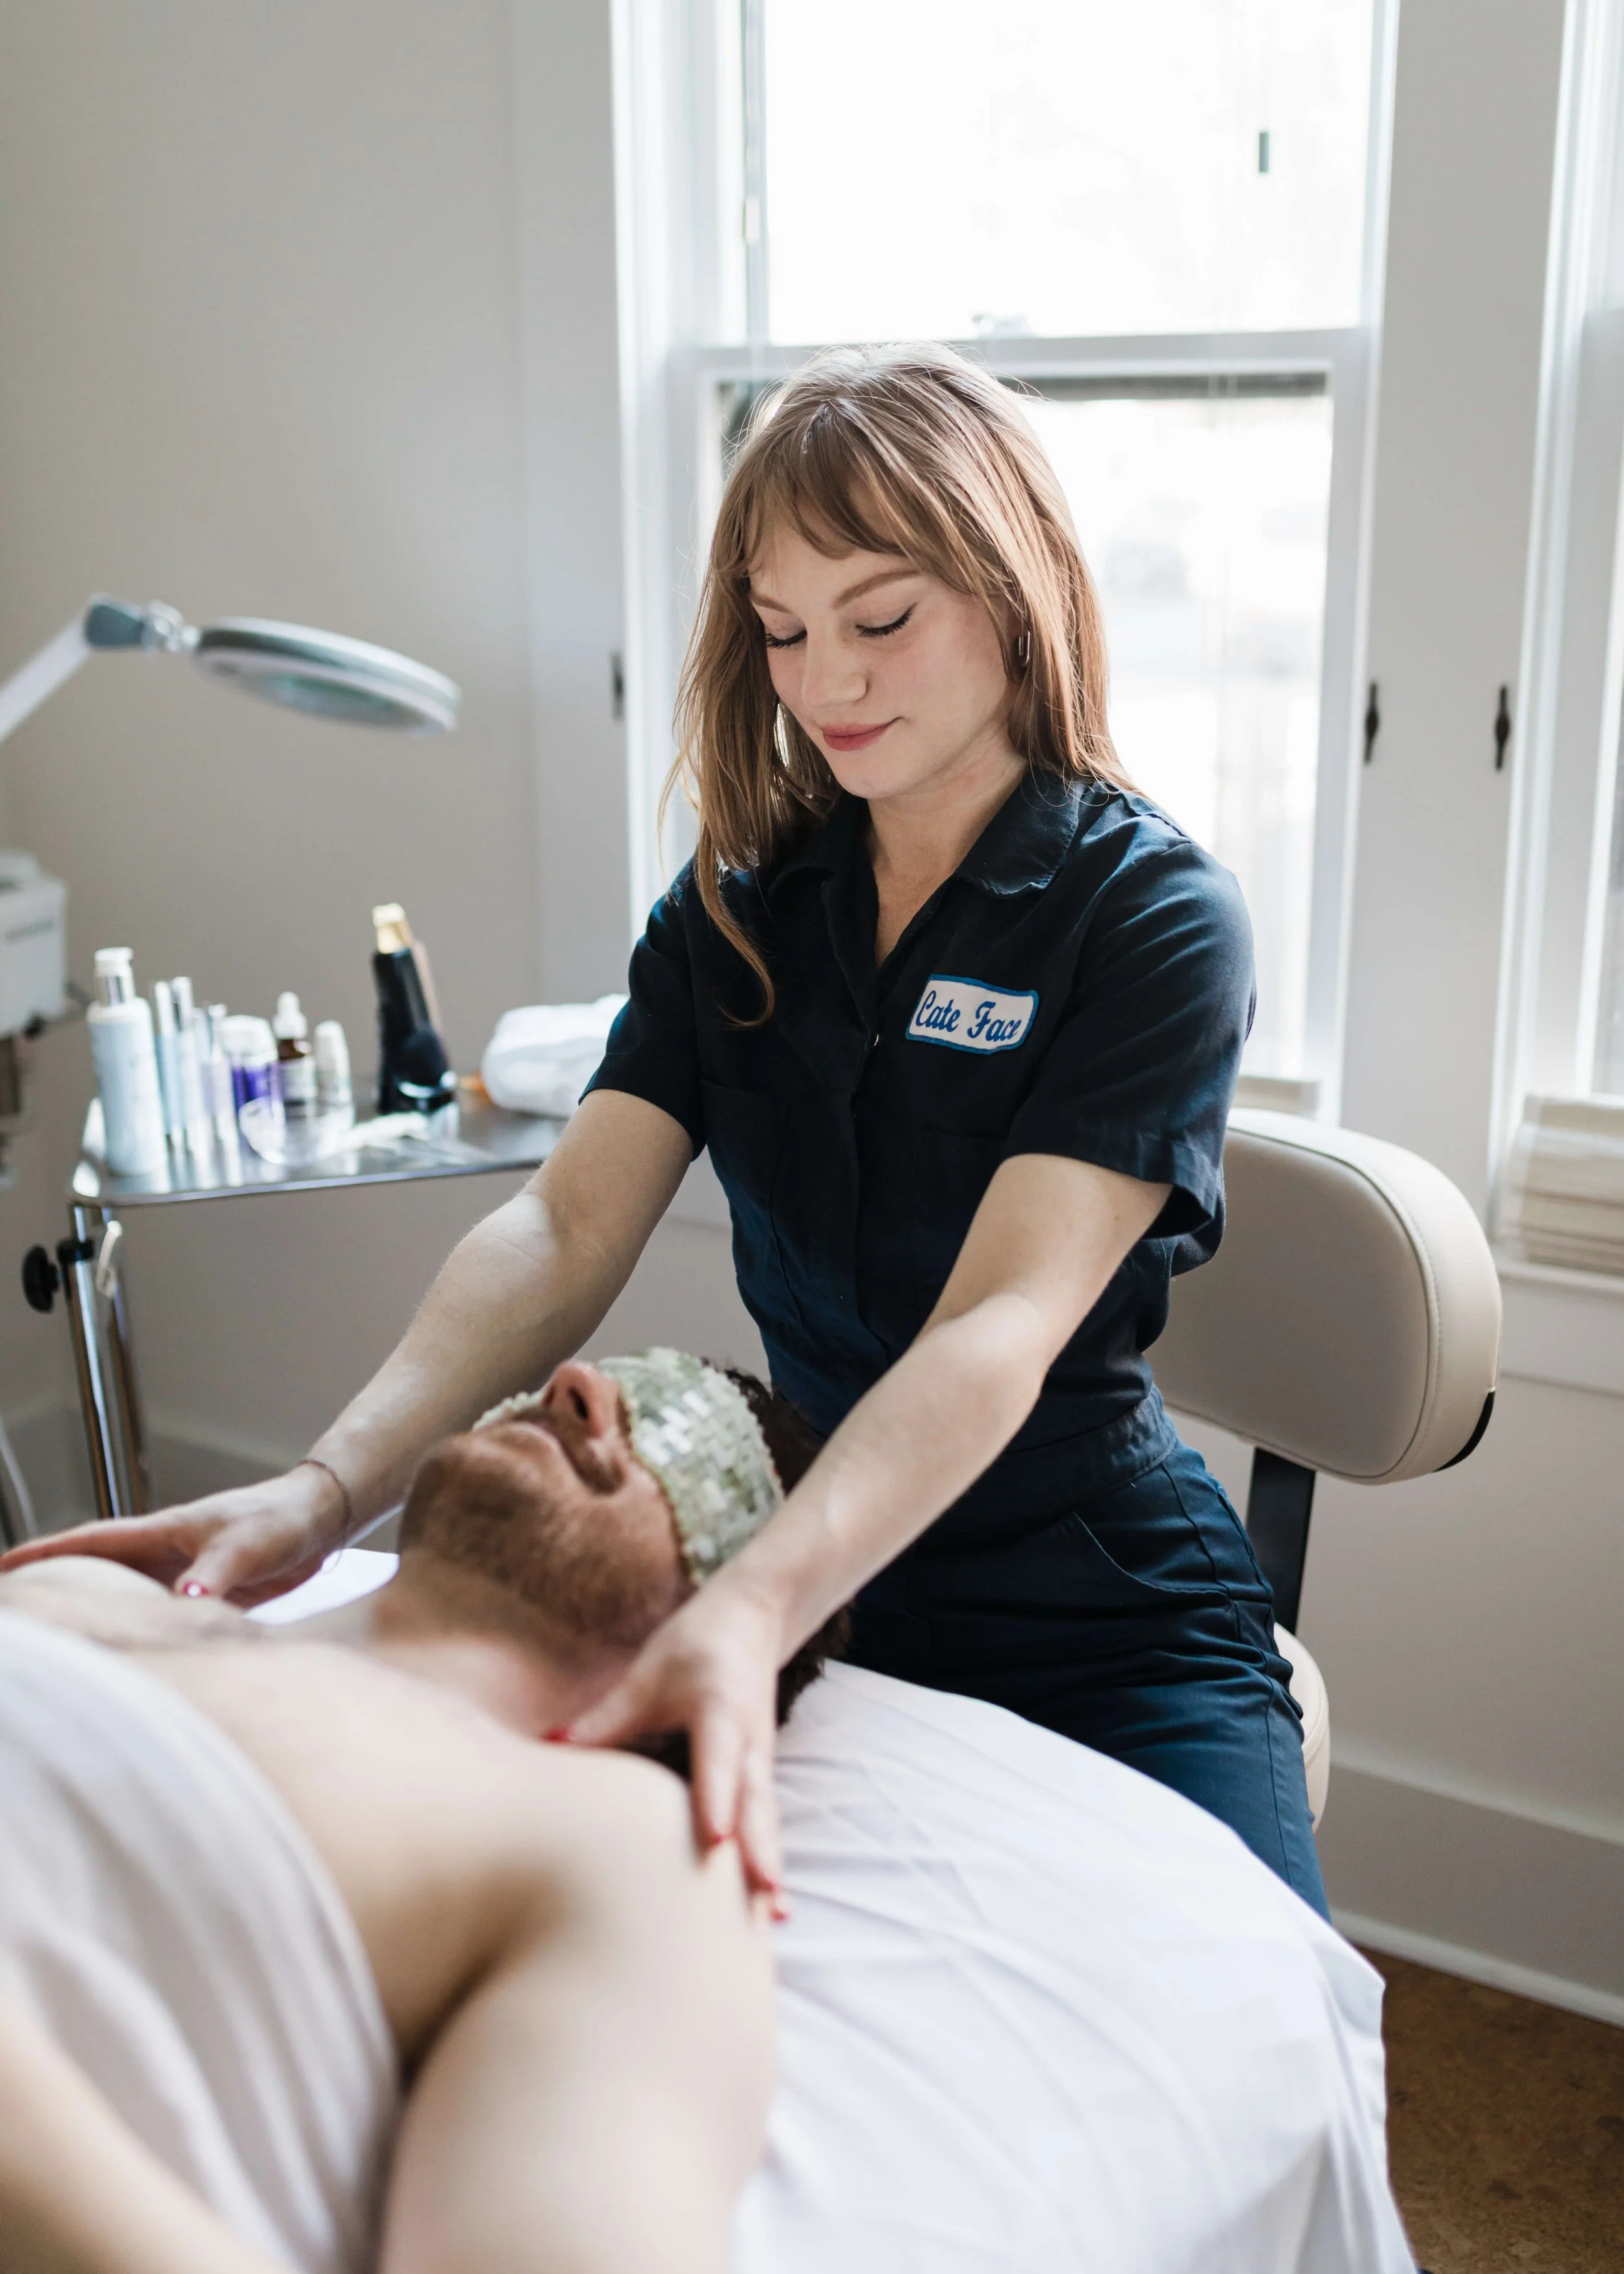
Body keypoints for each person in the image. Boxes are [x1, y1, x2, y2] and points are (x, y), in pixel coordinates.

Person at [3, 342, 1324, 1918]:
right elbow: (564, 1228)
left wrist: (752, 1605)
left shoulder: (1150, 920)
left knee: (1253, 1992)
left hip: (1093, 1602)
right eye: (781, 630)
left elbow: (995, 1326)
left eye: (881, 619)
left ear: (1014, 588)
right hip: (820, 1589)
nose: (825, 680)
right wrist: (324, 1487)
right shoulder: (739, 913)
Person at [0, 1351, 840, 2274]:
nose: (573, 1382)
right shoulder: (98, 1583)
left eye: (680, 1430)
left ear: (737, 1624)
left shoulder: (627, 1845)